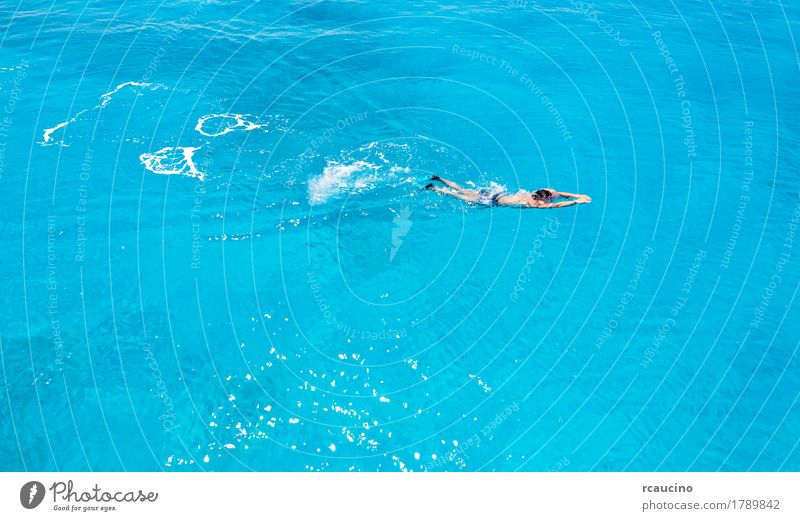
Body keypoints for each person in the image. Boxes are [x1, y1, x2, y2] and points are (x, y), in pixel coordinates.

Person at [425, 175, 591, 208]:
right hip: (491, 201)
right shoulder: (533, 203)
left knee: (462, 189)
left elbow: (560, 194)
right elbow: (559, 203)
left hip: (493, 193)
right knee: (458, 195)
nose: (550, 200)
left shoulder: (541, 192)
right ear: (541, 199)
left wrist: (578, 194)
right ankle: (435, 188)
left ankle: (439, 178)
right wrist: (577, 201)